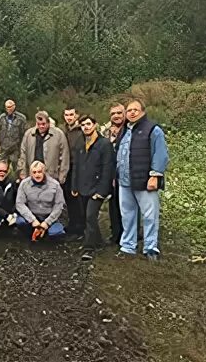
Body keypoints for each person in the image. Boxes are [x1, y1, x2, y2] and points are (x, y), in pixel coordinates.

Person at [115, 98, 169, 261]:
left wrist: (155, 175)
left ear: (143, 112)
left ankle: (150, 247)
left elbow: (161, 154)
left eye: (135, 110)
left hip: (145, 181)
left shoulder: (153, 130)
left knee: (149, 215)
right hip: (125, 181)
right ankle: (128, 245)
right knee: (128, 215)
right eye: (128, 110)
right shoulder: (124, 130)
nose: (131, 113)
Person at [71, 115, 114, 261]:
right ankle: (99, 242)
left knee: (90, 216)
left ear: (95, 125)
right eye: (83, 125)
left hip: (96, 189)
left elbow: (108, 169)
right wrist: (74, 185)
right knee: (86, 217)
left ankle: (88, 248)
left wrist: (101, 191)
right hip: (82, 187)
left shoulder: (104, 144)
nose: (86, 127)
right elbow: (76, 166)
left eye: (88, 124)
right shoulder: (80, 143)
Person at [15, 161, 66, 240]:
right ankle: (30, 234)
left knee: (56, 233)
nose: (37, 175)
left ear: (44, 172)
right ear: (31, 173)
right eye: (34, 172)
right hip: (32, 216)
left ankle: (47, 235)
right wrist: (32, 220)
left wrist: (47, 223)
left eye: (39, 172)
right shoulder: (24, 184)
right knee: (20, 222)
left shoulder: (55, 185)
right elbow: (19, 204)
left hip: (50, 217)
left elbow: (59, 205)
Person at [17, 111, 70, 184]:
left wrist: (62, 177)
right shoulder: (29, 135)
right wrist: (22, 173)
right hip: (32, 176)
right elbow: (23, 155)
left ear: (48, 123)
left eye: (43, 124)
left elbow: (64, 157)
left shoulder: (58, 135)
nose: (41, 126)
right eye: (39, 124)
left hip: (52, 177)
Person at [100, 102, 126, 244]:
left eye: (119, 113)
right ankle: (115, 233)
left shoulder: (130, 129)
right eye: (113, 114)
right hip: (111, 172)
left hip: (126, 173)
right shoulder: (106, 131)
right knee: (113, 204)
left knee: (128, 205)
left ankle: (129, 233)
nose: (116, 116)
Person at [62, 106, 85, 240]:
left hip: (79, 168)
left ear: (76, 115)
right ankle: (72, 224)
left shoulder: (81, 130)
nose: (69, 117)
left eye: (71, 114)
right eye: (66, 115)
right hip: (67, 168)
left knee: (78, 199)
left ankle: (81, 228)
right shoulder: (63, 130)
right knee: (69, 198)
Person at [0, 99, 27, 170]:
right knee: (3, 167)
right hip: (4, 147)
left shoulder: (21, 118)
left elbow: (24, 134)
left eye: (10, 107)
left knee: (16, 167)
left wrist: (23, 148)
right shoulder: (2, 118)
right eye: (7, 107)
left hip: (16, 147)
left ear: (14, 106)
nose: (8, 109)